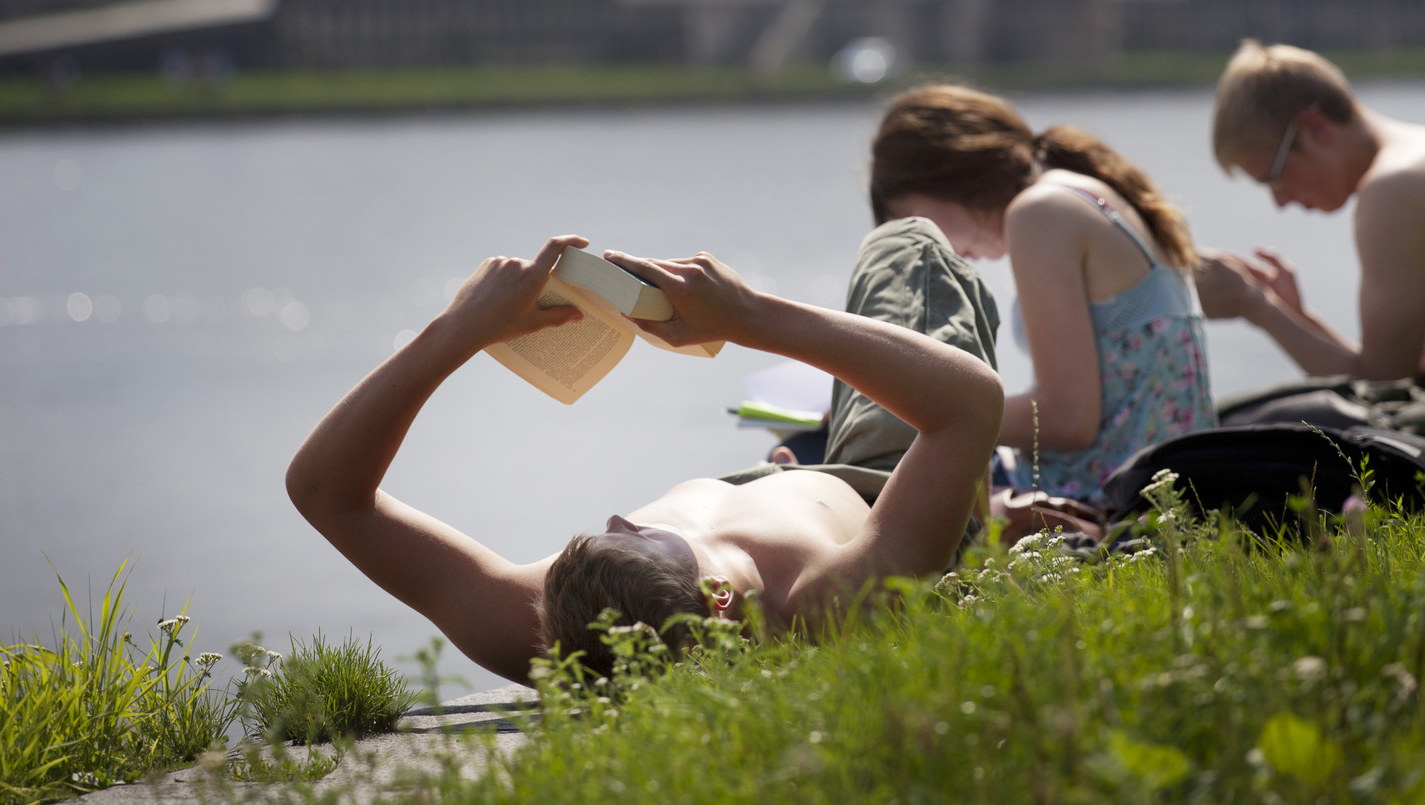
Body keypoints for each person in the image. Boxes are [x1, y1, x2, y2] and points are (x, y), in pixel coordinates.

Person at [285, 235, 1002, 684]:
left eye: (607, 531)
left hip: (779, 476)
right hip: (877, 484)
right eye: (636, 534)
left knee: (811, 402)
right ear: (722, 600)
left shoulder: (537, 623)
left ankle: (795, 449)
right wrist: (749, 316)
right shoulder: (826, 601)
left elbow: (325, 491)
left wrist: (459, 329)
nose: (620, 516)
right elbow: (967, 406)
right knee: (909, 251)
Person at [857, 84, 1215, 527]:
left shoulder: (1040, 214)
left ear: (946, 174)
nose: (935, 246)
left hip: (1105, 500)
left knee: (849, 474)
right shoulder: (1076, 194)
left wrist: (913, 408)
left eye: (916, 222)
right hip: (1155, 489)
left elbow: (1068, 418)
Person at [1195, 41, 1425, 434]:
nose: (1280, 201)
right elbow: (1383, 377)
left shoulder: (1395, 188)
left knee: (1229, 431)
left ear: (1314, 129)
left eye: (1273, 176)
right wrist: (1293, 317)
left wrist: (1255, 307)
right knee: (1243, 425)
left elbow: (1382, 387)